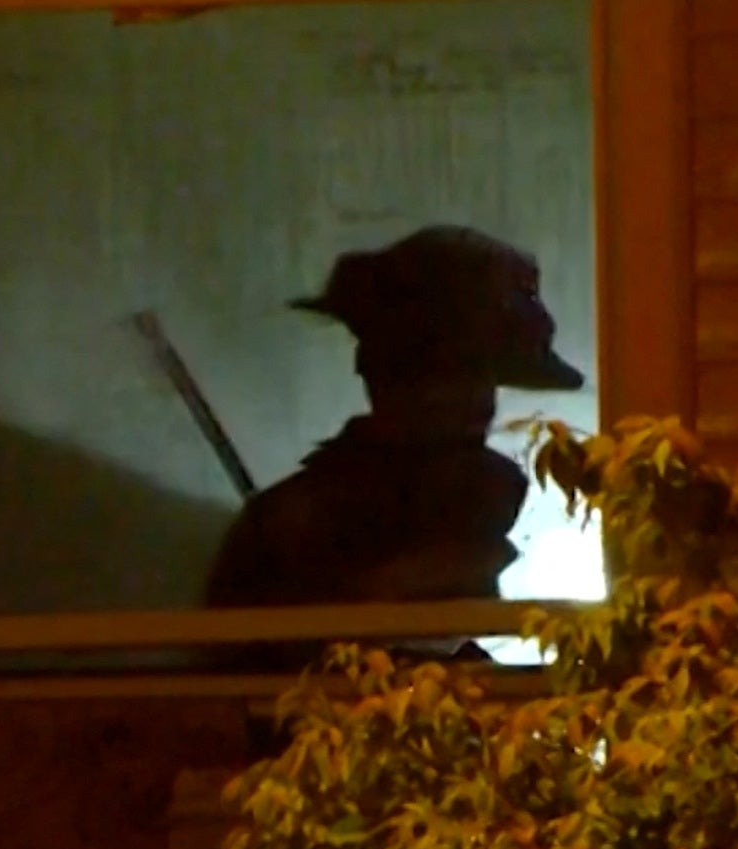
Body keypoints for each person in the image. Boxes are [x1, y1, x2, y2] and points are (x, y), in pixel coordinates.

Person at [203, 225, 586, 610]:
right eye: (441, 372)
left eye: (480, 374)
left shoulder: (487, 486)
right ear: (380, 372)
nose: (475, 403)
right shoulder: (293, 519)